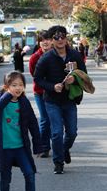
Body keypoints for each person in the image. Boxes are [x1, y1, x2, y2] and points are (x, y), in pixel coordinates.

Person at [0, 71, 45, 191]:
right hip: (3, 148)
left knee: (29, 173)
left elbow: (33, 124)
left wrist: (38, 145)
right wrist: (6, 97)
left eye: (21, 85)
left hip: (20, 147)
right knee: (6, 177)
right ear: (6, 86)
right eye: (14, 85)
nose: (18, 88)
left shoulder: (23, 102)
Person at [33, 25, 87, 174]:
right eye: (56, 37)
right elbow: (37, 78)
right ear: (52, 40)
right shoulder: (46, 58)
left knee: (72, 132)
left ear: (66, 38)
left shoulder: (75, 55)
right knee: (56, 132)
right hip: (52, 101)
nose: (60, 39)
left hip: (69, 100)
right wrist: (52, 86)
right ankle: (58, 162)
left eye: (63, 36)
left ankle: (64, 149)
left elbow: (84, 75)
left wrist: (74, 80)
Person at [28, 30, 53, 158]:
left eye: (48, 39)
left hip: (55, 93)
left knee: (55, 119)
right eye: (42, 40)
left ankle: (59, 145)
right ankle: (44, 147)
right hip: (40, 93)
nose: (45, 42)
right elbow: (34, 75)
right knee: (45, 119)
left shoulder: (57, 55)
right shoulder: (34, 58)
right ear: (39, 42)